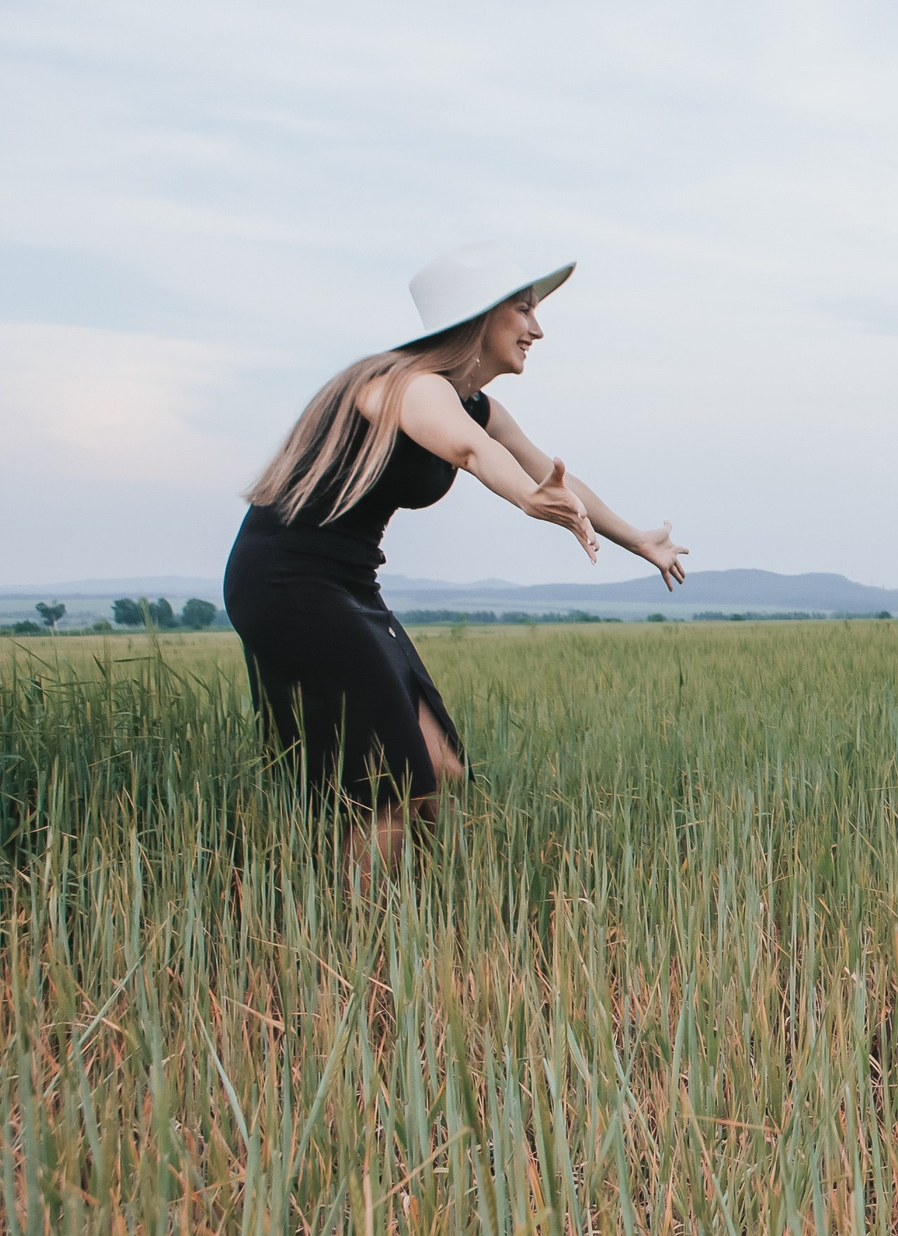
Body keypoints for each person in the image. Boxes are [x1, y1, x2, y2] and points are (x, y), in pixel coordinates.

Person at [223, 242, 688, 880]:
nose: (537, 327)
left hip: (351, 582)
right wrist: (528, 498)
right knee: (391, 781)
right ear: (477, 318)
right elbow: (468, 452)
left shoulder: (480, 405)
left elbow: (551, 471)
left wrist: (639, 540)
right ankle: (360, 937)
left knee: (441, 769)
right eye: (522, 310)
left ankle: (420, 912)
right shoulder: (402, 386)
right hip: (288, 580)